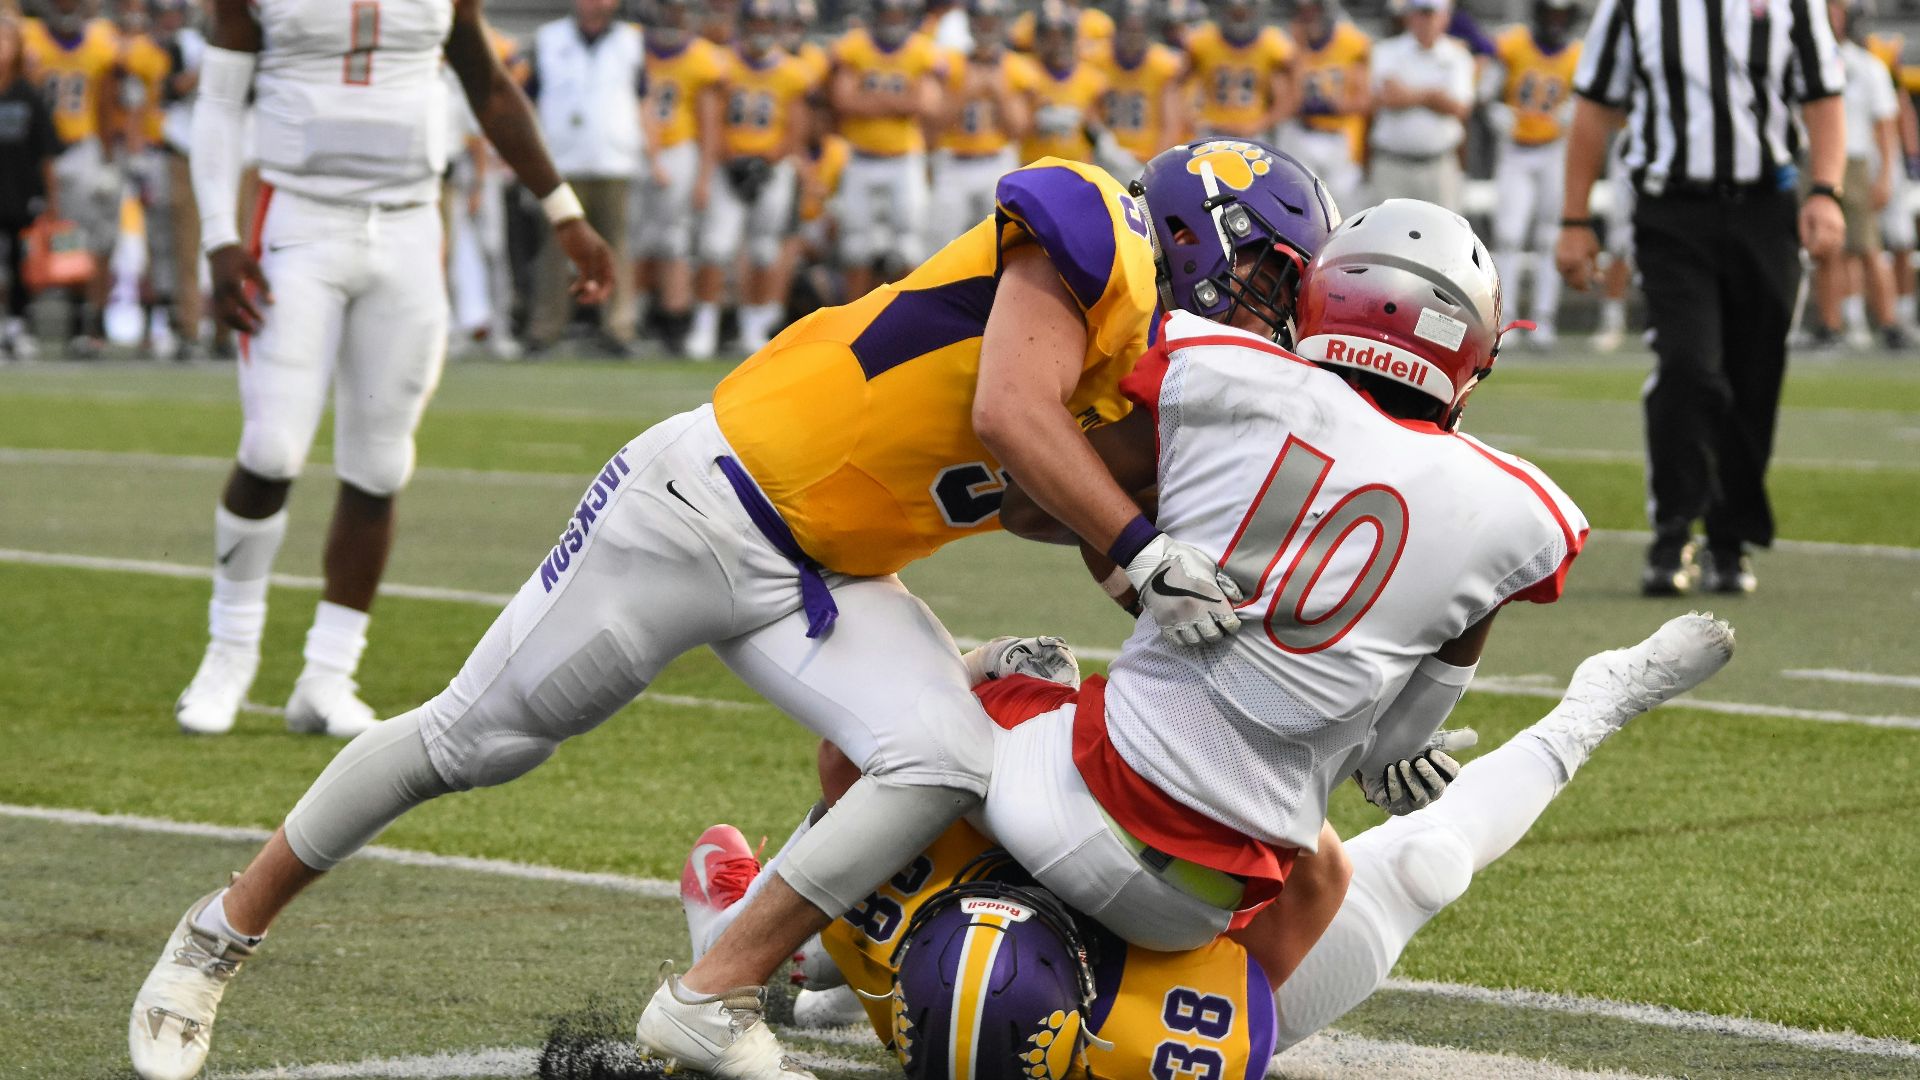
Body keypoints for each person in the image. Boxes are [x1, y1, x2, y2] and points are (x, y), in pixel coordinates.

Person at [126, 143, 1332, 1079]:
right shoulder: (1096, 229)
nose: (1279, 313)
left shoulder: (1148, 379)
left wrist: (1167, 586)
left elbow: (1030, 505)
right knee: (471, 741)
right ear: (1206, 225)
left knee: (947, 758)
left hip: (830, 576)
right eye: (1278, 276)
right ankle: (219, 932)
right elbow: (1012, 417)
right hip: (700, 507)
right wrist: (1136, 539)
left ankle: (710, 998)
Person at [679, 612, 1733, 1075]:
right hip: (1187, 954)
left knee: (868, 833)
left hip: (910, 946)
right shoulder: (1159, 1040)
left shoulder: (894, 914)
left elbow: (847, 753)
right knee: (1423, 865)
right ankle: (1597, 706)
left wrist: (979, 660)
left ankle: (758, 951)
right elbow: (1311, 882)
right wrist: (1337, 759)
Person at [164, 0, 616, 749]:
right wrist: (218, 235)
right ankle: (228, 656)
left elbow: (489, 84)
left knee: (380, 461)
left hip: (408, 223)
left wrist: (563, 211)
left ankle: (329, 675)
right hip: (298, 218)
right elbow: (218, 99)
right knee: (272, 449)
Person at [1556, 0, 1846, 597]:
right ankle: (1672, 529)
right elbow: (1595, 107)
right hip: (1672, 213)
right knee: (1689, 366)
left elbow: (1822, 95)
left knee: (1754, 374)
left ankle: (1728, 539)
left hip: (1766, 210)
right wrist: (1575, 218)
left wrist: (1826, 191)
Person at [684, 0, 812, 358]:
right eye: (754, 24)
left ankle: (754, 327)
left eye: (766, 24)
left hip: (772, 169)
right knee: (715, 247)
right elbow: (710, 118)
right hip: (730, 166)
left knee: (764, 249)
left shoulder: (792, 71)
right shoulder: (722, 65)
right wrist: (730, 157)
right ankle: (704, 327)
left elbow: (797, 128)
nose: (760, 31)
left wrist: (768, 160)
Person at [523, 0, 644, 353]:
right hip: (560, 161)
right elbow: (528, 97)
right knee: (554, 248)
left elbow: (643, 98)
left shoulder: (630, 40)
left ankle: (619, 328)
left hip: (613, 158)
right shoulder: (548, 38)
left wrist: (649, 153)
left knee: (617, 245)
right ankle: (545, 329)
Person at [22, 0, 123, 356]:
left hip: (81, 148)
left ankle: (88, 324)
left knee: (89, 242)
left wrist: (110, 161)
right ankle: (25, 322)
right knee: (33, 236)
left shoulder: (100, 41)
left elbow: (108, 105)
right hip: (35, 150)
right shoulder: (27, 36)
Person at [829, 0, 944, 298]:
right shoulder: (854, 47)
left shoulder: (922, 50)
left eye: (898, 13)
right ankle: (852, 319)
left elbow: (927, 104)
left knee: (909, 244)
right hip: (860, 158)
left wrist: (870, 100)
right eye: (887, 13)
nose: (892, 19)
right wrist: (900, 103)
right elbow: (844, 101)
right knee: (855, 245)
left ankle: (906, 316)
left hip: (904, 159)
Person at [1485, 0, 1581, 349]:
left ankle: (1544, 318)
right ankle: (1506, 317)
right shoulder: (1512, 44)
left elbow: (1588, 98)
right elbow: (1485, 93)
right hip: (1516, 150)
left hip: (1555, 151)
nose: (1556, 22)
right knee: (1509, 235)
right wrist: (1496, 111)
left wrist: (1575, 112)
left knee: (1548, 237)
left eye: (1562, 14)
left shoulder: (1577, 54)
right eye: (1551, 13)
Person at [1808, 0, 1903, 351]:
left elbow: (1886, 123)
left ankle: (1891, 322)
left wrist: (1886, 175)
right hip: (1816, 159)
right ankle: (1830, 324)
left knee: (1868, 247)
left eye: (1836, 10)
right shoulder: (1806, 56)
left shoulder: (1865, 66)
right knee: (1825, 251)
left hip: (1856, 161)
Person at [636, 0, 728, 353]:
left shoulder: (702, 57)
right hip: (635, 149)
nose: (672, 16)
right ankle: (637, 319)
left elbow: (708, 122)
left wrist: (704, 175)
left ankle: (674, 320)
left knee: (674, 240)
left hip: (679, 150)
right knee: (638, 240)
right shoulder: (632, 46)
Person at [927, 0, 1035, 248]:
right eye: (981, 20)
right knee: (939, 246)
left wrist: (1000, 93)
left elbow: (1019, 129)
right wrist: (966, 92)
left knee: (999, 244)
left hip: (997, 162)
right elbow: (936, 119)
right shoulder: (951, 63)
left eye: (992, 21)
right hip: (954, 162)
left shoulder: (1016, 67)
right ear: (970, 24)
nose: (986, 27)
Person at [1366, 0, 1473, 210]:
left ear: (1445, 17)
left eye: (1430, 13)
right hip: (1392, 163)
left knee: (1443, 237)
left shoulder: (1458, 56)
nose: (1425, 21)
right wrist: (1433, 95)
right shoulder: (1385, 50)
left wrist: (1408, 93)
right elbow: (1386, 98)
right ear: (1408, 16)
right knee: (1387, 237)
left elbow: (1460, 108)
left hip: (1439, 164)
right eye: (1420, 13)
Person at [0, 15, 58, 360]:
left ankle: (17, 327)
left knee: (21, 264)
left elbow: (46, 152)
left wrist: (52, 200)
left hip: (20, 192)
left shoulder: (28, 95)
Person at [1282, 0, 1369, 215]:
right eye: (1304, 10)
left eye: (1314, 9)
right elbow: (1288, 100)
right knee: (1304, 207)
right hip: (1303, 134)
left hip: (1339, 137)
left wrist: (1331, 105)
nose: (1309, 16)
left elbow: (1365, 99)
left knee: (1346, 209)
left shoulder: (1352, 42)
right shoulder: (1292, 44)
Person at [1094, 0, 1187, 177]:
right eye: (1126, 29)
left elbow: (1171, 125)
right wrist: (1101, 140)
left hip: (1146, 159)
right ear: (1116, 28)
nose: (1132, 36)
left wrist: (1155, 166)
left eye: (1138, 30)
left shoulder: (1164, 65)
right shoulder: (1096, 60)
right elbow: (1089, 111)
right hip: (1104, 160)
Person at [1184, 0, 1293, 142]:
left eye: (1243, 13)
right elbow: (1177, 85)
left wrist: (1263, 123)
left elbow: (1290, 91)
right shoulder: (1203, 40)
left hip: (1252, 131)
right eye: (1235, 12)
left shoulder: (1272, 44)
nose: (1239, 16)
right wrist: (1190, 117)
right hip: (1212, 129)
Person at [1018, 0, 1107, 165]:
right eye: (1049, 36)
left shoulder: (1092, 78)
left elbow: (1098, 131)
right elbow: (1014, 129)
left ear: (1074, 37)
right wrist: (1037, 122)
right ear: (1038, 38)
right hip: (1032, 166)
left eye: (1063, 35)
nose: (1057, 43)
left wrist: (1092, 128)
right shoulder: (1024, 71)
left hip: (1077, 168)